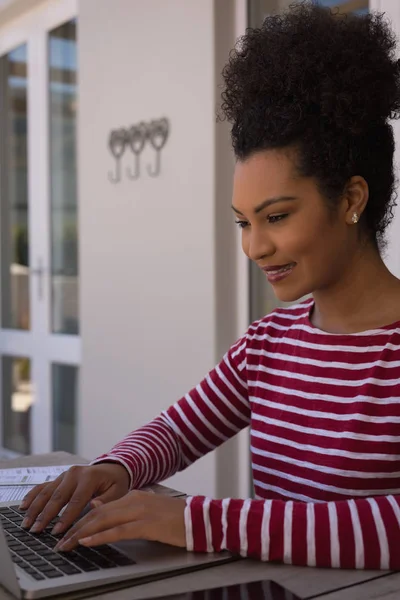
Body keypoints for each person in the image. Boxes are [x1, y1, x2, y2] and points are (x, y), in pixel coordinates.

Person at [20, 2, 400, 569]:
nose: (254, 248)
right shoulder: (269, 343)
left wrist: (196, 520)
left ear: (350, 199)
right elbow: (177, 429)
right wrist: (114, 470)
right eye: (244, 222)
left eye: (276, 217)